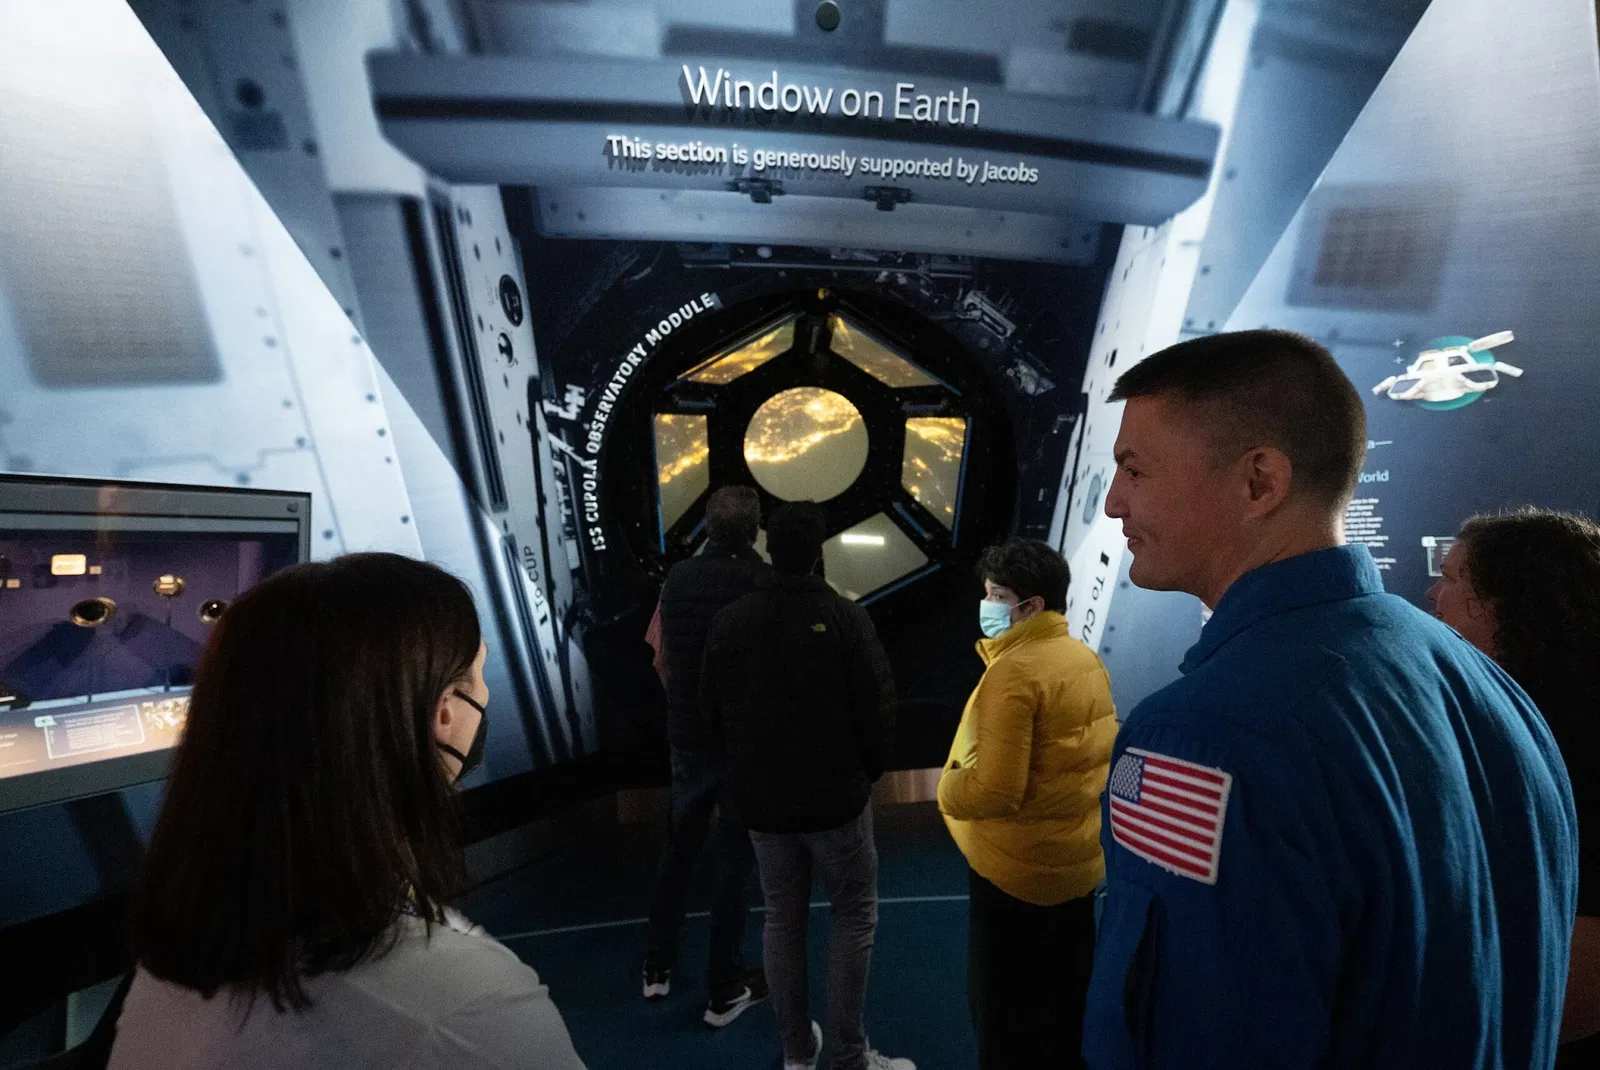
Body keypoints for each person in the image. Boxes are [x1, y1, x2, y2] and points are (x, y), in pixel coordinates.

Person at [1082, 330, 1576, 1069]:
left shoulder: (1199, 739)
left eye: (1135, 469)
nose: (1115, 502)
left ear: (1260, 482)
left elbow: (1189, 1039)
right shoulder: (1486, 686)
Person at [109, 553, 585, 1070]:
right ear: (443, 713)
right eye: (477, 673)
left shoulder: (165, 971)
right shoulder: (470, 1008)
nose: (485, 693)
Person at [702, 503, 912, 1070]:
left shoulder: (731, 622)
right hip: (837, 804)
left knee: (781, 919)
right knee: (853, 917)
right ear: (819, 551)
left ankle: (797, 1053)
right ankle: (849, 1057)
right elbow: (878, 709)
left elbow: (710, 716)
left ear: (769, 547)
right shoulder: (845, 618)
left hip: (764, 810)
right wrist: (863, 774)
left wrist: (742, 779)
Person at [1428, 508, 1600, 1066]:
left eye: (1453, 578)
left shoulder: (1572, 743)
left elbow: (1577, 992)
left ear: (1514, 603)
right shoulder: (1508, 717)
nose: (1433, 594)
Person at [938, 537, 1117, 1069]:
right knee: (1066, 1006)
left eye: (996, 595)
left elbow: (996, 790)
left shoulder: (1013, 672)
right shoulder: (1081, 656)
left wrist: (948, 790)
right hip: (1074, 867)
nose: (987, 606)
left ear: (1031, 605)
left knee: (1003, 1015)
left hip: (1015, 870)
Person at [640, 485, 770, 1026]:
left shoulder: (678, 580)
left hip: (687, 739)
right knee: (734, 864)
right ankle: (725, 988)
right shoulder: (764, 584)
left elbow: (659, 656)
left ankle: (656, 967)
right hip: (742, 746)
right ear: (756, 529)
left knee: (679, 852)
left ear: (708, 529)